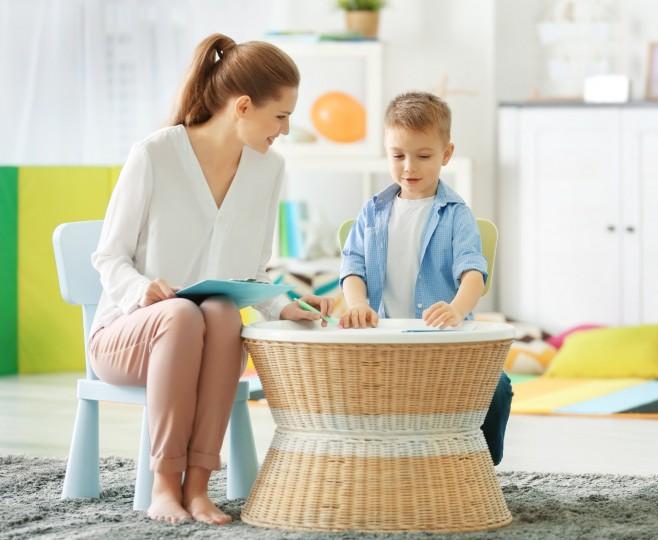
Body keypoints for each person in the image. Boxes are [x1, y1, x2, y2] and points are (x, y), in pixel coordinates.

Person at [89, 33, 332, 525]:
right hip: (126, 338)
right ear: (243, 106)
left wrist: (284, 305)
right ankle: (164, 484)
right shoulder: (155, 154)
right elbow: (108, 256)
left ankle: (198, 488)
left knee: (220, 312)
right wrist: (142, 290)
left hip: (203, 339)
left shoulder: (269, 169)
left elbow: (255, 272)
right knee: (180, 313)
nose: (285, 130)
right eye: (280, 116)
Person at [338, 91, 512, 465]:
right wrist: (356, 306)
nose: (408, 168)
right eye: (397, 156)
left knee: (497, 387)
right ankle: (369, 461)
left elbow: (473, 273)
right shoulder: (372, 211)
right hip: (384, 343)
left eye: (423, 156)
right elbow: (352, 266)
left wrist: (456, 309)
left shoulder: (455, 214)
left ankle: (480, 464)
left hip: (445, 345)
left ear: (446, 154)